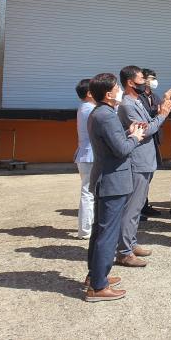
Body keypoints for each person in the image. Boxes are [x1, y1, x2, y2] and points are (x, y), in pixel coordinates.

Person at [85, 72, 145, 302]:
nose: (120, 90)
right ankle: (98, 286)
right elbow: (121, 150)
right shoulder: (107, 116)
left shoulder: (100, 113)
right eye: (117, 87)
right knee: (107, 235)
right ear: (108, 94)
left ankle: (95, 276)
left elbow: (113, 142)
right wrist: (135, 137)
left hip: (107, 179)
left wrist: (127, 133)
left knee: (100, 231)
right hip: (113, 181)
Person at [115, 65, 171, 267]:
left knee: (137, 206)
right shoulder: (127, 104)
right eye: (142, 79)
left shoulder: (136, 101)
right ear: (130, 82)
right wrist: (163, 114)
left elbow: (149, 120)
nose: (145, 82)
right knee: (132, 208)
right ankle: (124, 251)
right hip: (138, 161)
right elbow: (147, 129)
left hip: (146, 159)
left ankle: (130, 243)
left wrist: (163, 108)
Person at [73, 78, 96, 240]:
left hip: (85, 154)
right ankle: (86, 229)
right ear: (89, 93)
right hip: (90, 155)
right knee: (88, 193)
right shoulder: (90, 109)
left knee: (88, 193)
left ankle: (87, 228)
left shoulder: (84, 107)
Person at [140, 68, 163, 218]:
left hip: (154, 137)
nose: (154, 81)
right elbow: (146, 115)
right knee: (142, 175)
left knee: (150, 173)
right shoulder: (138, 96)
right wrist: (158, 112)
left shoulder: (155, 96)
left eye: (155, 78)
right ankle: (138, 206)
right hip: (143, 138)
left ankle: (144, 203)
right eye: (151, 78)